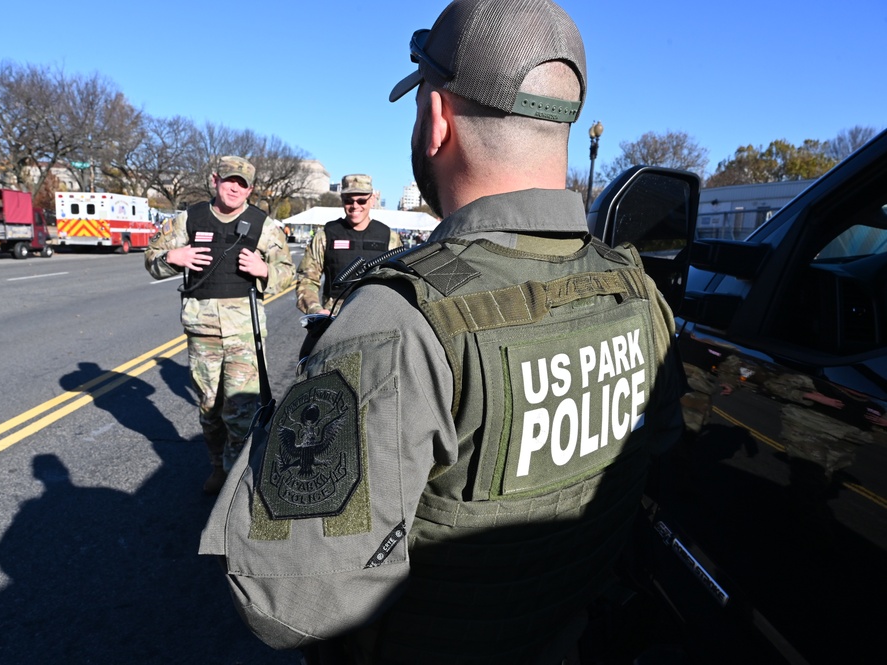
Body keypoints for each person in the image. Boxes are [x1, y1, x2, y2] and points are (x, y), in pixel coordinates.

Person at [200, 1, 685, 662]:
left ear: (435, 118)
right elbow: (653, 460)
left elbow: (286, 603)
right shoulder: (635, 290)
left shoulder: (399, 319)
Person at [145, 156, 294, 494]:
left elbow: (288, 272)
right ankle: (216, 465)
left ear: (251, 189)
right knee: (209, 408)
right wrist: (173, 258)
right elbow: (151, 258)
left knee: (241, 412)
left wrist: (265, 270)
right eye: (229, 180)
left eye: (242, 184)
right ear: (215, 180)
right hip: (203, 333)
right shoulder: (188, 220)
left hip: (244, 334)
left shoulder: (264, 226)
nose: (234, 188)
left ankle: (234, 480)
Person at [296, 174, 403, 316]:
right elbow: (307, 280)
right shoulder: (325, 236)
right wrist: (316, 310)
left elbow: (402, 282)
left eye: (361, 200)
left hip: (376, 318)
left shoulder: (390, 238)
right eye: (348, 201)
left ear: (372, 200)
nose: (355, 206)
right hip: (334, 319)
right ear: (342, 200)